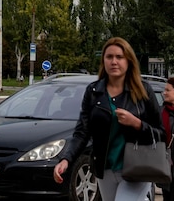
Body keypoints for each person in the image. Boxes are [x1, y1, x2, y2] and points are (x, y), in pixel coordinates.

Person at [53, 37, 164, 201]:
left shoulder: (143, 90)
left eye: (119, 57)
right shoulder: (93, 92)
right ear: (103, 60)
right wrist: (66, 159)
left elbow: (161, 133)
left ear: (129, 61)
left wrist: (137, 124)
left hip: (137, 167)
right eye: (109, 57)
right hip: (105, 169)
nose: (114, 61)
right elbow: (82, 132)